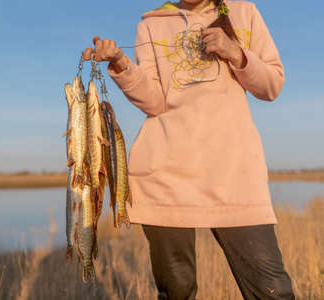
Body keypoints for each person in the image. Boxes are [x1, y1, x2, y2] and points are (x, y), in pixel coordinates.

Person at [83, 0, 295, 299]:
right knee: (177, 292)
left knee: (273, 291)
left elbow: (271, 85)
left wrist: (235, 52)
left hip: (236, 176)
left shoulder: (244, 12)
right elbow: (154, 102)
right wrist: (120, 61)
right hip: (166, 177)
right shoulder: (150, 24)